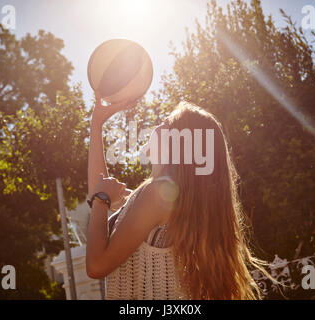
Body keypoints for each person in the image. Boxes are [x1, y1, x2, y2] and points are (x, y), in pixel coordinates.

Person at [86, 91, 271, 299]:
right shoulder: (163, 196)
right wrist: (97, 124)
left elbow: (96, 265)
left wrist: (102, 198)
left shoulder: (157, 195)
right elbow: (98, 191)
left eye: (165, 123)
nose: (156, 127)